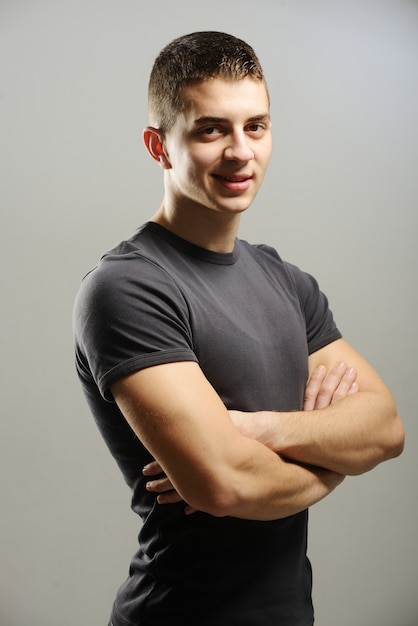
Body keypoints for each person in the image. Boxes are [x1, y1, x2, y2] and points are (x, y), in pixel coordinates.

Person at [73, 31, 404, 626]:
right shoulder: (128, 287)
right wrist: (333, 458)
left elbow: (385, 428)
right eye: (210, 130)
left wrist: (255, 429)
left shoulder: (285, 280)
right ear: (160, 146)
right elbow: (223, 485)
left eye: (255, 126)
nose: (239, 152)